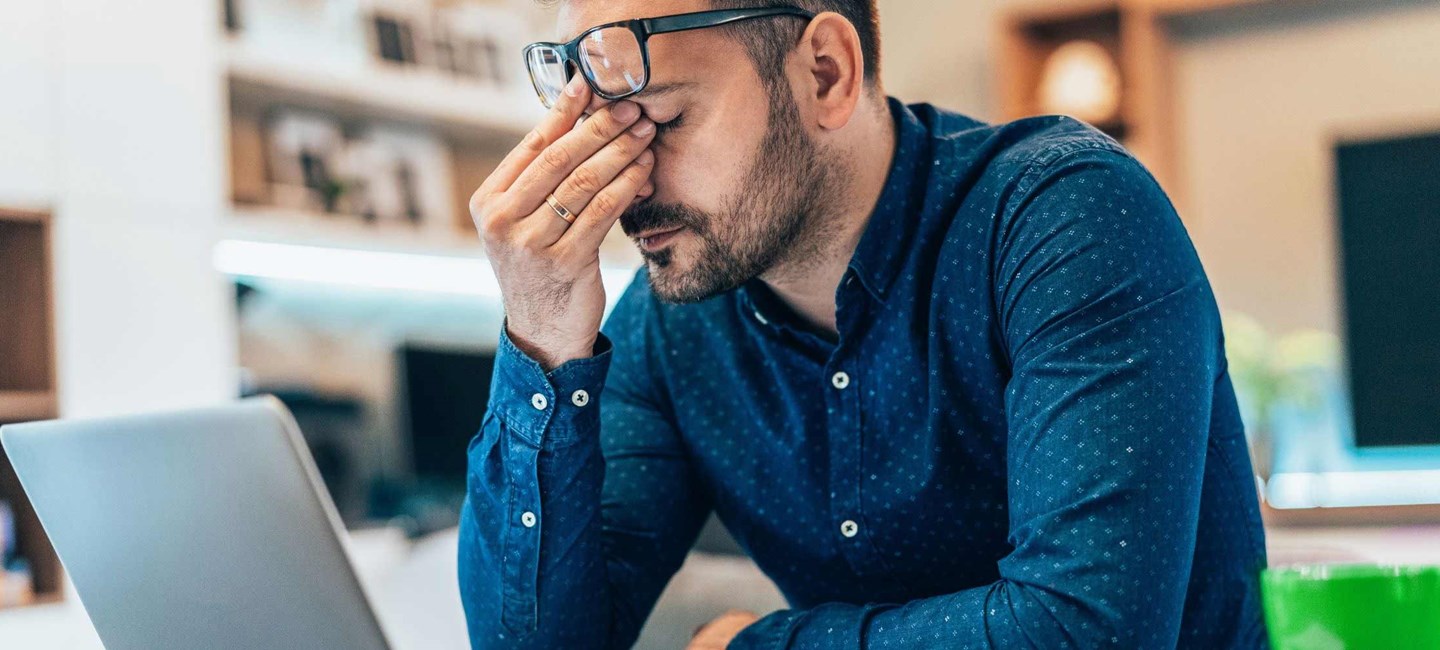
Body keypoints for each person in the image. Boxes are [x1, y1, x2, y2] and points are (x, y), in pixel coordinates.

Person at [459, 1, 1268, 648]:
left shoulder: (1068, 218)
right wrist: (541, 337)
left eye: (661, 123)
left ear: (825, 73)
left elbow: (1086, 633)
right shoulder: (674, 325)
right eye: (601, 138)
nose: (628, 187)